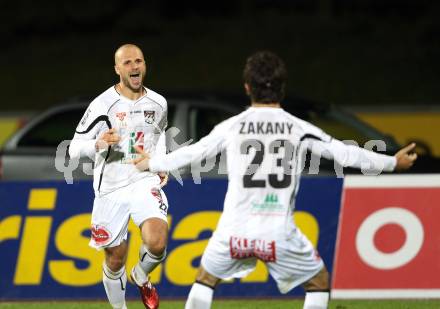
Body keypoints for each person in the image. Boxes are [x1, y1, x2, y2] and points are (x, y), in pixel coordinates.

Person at [132, 51, 417, 309]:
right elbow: (345, 154)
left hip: (234, 231)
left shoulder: (232, 127)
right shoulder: (298, 128)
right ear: (282, 88)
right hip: (278, 231)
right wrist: (393, 161)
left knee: (205, 280)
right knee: (318, 283)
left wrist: (151, 163)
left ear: (247, 87)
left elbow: (192, 154)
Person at [69, 44, 169, 309]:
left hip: (143, 179)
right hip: (110, 188)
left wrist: (160, 163)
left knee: (157, 241)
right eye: (127, 63)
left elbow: (158, 137)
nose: (134, 66)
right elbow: (73, 148)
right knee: (115, 257)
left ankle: (141, 275)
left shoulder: (158, 103)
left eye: (139, 61)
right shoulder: (102, 105)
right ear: (117, 69)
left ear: (145, 65)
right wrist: (99, 143)